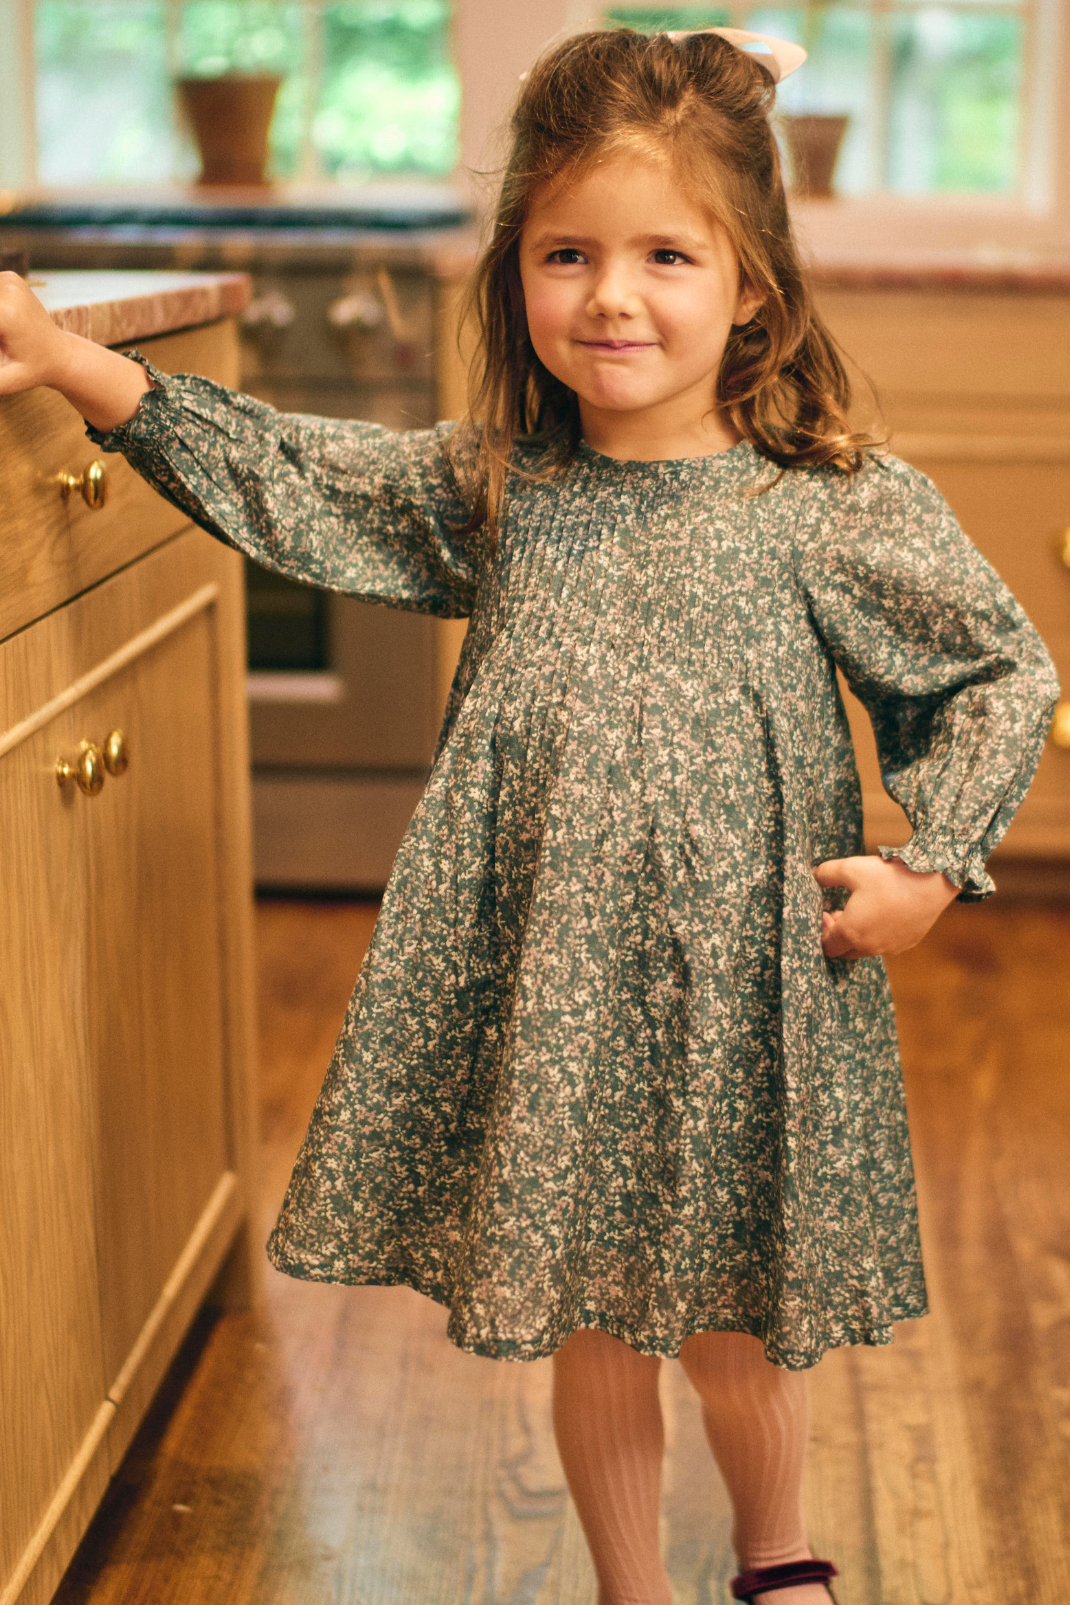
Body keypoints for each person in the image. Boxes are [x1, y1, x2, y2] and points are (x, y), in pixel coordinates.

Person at [0, 25, 1058, 1605]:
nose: (610, 296)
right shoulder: (495, 488)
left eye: (662, 255)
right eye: (565, 253)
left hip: (746, 1002)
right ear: (515, 278)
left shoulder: (827, 502)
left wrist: (927, 866)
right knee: (591, 1314)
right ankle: (631, 1590)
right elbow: (302, 473)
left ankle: (780, 1569)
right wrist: (79, 363)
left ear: (752, 282)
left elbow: (996, 674)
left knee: (726, 1320)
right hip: (551, 999)